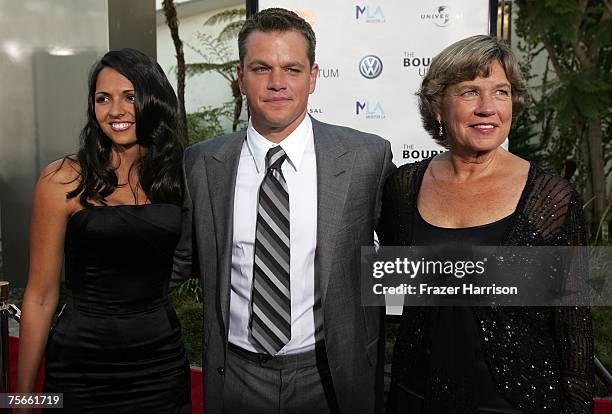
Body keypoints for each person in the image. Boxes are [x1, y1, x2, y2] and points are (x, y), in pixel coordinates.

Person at [172, 7, 395, 414]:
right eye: (261, 68)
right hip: (236, 375)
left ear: (312, 77)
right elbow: (178, 262)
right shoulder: (202, 164)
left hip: (330, 374)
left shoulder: (367, 157)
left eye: (291, 69)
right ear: (240, 78)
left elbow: (409, 251)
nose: (277, 83)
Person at [379, 35, 593, 413]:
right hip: (416, 396)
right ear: (438, 107)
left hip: (519, 401)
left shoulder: (551, 197)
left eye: (500, 92)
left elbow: (574, 326)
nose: (487, 108)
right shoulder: (402, 188)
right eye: (469, 92)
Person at [17, 48, 191, 413]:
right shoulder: (62, 178)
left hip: (160, 365)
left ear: (153, 100)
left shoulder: (179, 176)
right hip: (80, 367)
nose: (115, 111)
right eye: (103, 98)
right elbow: (41, 296)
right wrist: (22, 399)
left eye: (130, 97)